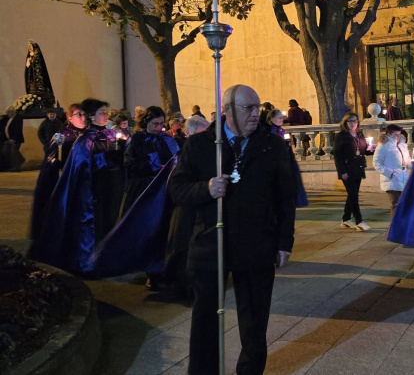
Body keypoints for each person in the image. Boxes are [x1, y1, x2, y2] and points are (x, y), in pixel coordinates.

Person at [168, 84, 299, 375]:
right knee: (205, 320)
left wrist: (284, 241)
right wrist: (206, 189)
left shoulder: (273, 146)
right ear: (227, 111)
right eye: (248, 108)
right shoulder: (200, 145)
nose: (257, 114)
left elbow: (286, 198)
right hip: (210, 244)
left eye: (258, 107)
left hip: (257, 244)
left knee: (254, 322)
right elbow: (176, 190)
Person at [29, 98, 126, 273]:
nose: (106, 116)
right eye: (101, 112)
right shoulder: (74, 138)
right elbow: (69, 163)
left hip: (109, 188)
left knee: (109, 221)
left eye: (107, 112)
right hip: (88, 190)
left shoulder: (108, 134)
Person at [164, 115, 211, 297]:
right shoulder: (186, 152)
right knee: (182, 247)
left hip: (197, 205)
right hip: (185, 208)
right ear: (190, 133)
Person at [30, 103, 88, 240]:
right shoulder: (62, 135)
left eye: (84, 114)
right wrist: (57, 163)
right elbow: (51, 156)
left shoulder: (89, 134)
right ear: (69, 117)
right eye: (78, 114)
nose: (82, 117)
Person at [119, 106, 179, 218]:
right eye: (155, 124)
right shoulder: (137, 140)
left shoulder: (166, 139)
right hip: (143, 188)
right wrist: (153, 165)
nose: (159, 127)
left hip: (164, 186)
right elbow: (130, 164)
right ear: (146, 122)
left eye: (162, 124)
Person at [334, 111, 374, 231]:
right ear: (345, 123)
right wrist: (342, 172)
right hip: (347, 170)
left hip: (358, 169)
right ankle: (359, 221)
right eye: (350, 121)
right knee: (353, 195)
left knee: (352, 194)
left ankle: (346, 219)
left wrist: (371, 149)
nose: (353, 123)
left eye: (355, 121)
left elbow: (364, 150)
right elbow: (337, 155)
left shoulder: (359, 134)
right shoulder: (341, 136)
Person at [372, 124, 412, 215]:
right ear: (389, 134)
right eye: (396, 134)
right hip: (391, 180)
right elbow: (376, 163)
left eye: (399, 134)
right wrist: (390, 173)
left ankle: (402, 225)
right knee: (396, 204)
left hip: (402, 178)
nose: (398, 137)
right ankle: (394, 227)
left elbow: (406, 161)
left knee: (404, 204)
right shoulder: (383, 146)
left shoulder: (402, 145)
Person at [0, 106, 25, 171]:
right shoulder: (9, 118)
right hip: (8, 139)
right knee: (5, 151)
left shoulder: (18, 119)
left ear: (12, 112)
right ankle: (21, 160)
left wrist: (13, 139)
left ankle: (16, 167)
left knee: (14, 152)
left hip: (15, 139)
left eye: (8, 112)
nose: (6, 113)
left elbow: (18, 130)